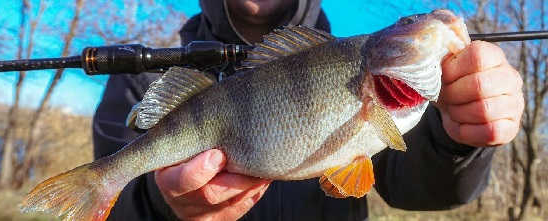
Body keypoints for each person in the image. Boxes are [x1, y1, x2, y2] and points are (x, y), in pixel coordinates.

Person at [92, 0, 524, 220]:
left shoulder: (388, 89)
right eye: (410, 24)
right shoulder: (149, 78)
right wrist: (164, 205)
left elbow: (415, 188)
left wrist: (455, 138)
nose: (424, 25)